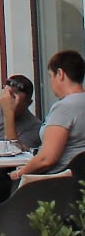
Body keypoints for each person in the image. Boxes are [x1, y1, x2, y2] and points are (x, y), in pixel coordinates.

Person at [10, 50, 85, 182]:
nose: (50, 82)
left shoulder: (64, 107)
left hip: (56, 181)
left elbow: (47, 159)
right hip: (79, 180)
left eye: (51, 76)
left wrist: (19, 173)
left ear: (60, 74)